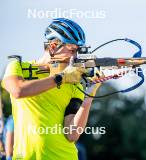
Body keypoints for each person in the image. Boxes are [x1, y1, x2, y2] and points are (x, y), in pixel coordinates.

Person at [1, 18, 102, 159]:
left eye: (78, 52)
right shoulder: (18, 67)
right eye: (72, 50)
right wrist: (61, 78)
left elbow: (72, 134)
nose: (75, 57)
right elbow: (18, 91)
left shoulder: (73, 82)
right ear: (53, 46)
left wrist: (89, 96)